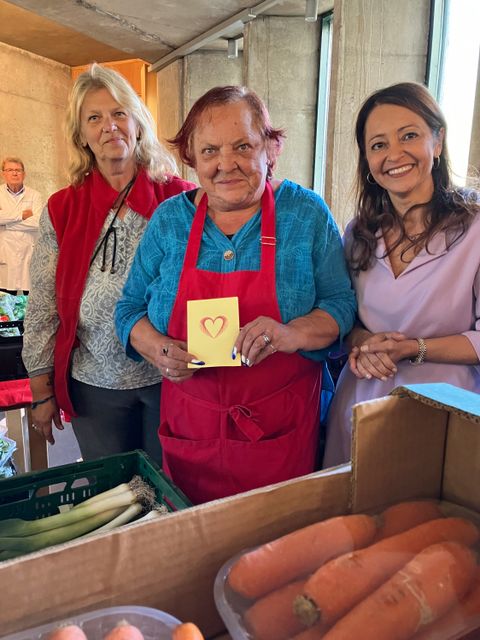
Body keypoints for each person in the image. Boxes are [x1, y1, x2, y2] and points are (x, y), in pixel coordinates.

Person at [115, 85, 357, 504]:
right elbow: (128, 309)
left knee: (276, 552)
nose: (226, 164)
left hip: (280, 433)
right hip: (191, 433)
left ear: (270, 149)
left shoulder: (306, 214)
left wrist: (291, 333)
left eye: (242, 146)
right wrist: (156, 348)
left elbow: (341, 304)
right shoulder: (170, 219)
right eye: (209, 151)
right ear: (191, 157)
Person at [22, 63, 195, 464]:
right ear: (81, 134)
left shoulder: (181, 200)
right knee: (112, 492)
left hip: (171, 378)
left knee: (169, 488)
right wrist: (41, 389)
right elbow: (44, 302)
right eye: (94, 118)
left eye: (119, 113)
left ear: (137, 122)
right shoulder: (63, 208)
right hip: (94, 382)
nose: (109, 126)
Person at [323, 82, 480, 468]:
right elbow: (345, 317)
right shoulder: (357, 232)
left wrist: (412, 348)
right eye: (378, 145)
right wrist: (361, 339)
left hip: (444, 412)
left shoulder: (475, 227)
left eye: (409, 135)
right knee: (351, 521)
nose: (394, 154)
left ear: (437, 141)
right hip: (359, 406)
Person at [0, 157, 43, 294]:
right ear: (3, 174)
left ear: (24, 174)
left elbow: (38, 223)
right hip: (5, 251)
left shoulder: (35, 195)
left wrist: (6, 224)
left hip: (28, 251)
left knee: (29, 296)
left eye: (18, 170)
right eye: (10, 170)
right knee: (5, 299)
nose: (14, 173)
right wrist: (21, 215)